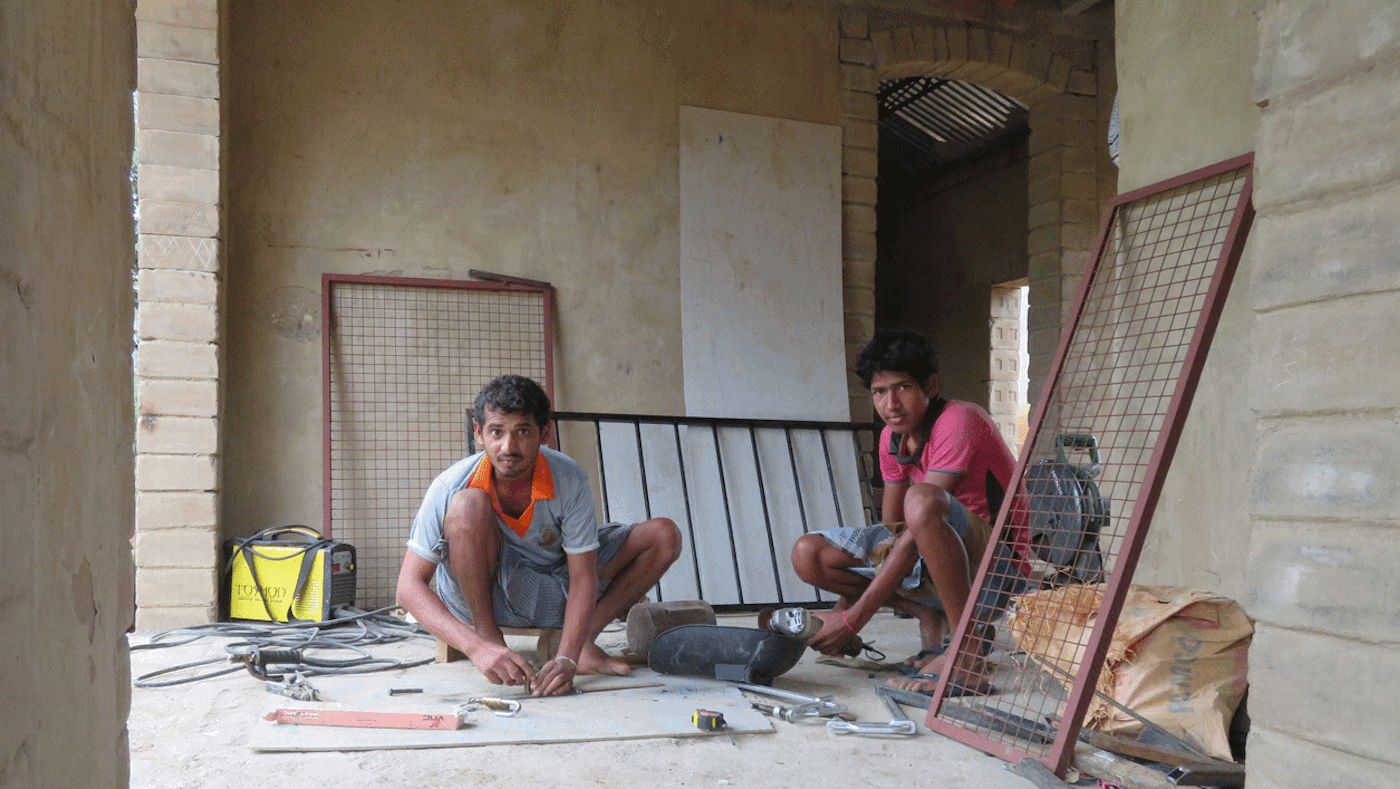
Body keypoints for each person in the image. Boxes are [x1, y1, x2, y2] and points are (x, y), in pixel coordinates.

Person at [397, 375, 682, 697]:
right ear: (479, 433)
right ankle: (491, 640)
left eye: (522, 432)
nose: (509, 447)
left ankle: (581, 639)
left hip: (550, 588)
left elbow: (583, 577)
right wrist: (476, 647)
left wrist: (568, 658)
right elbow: (408, 588)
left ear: (544, 434)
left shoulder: (569, 478)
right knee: (468, 505)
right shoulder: (450, 485)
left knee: (663, 535)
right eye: (496, 432)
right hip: (486, 596)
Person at [789, 331, 1031, 693]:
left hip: (999, 568)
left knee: (921, 500)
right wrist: (841, 611)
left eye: (902, 387)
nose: (891, 404)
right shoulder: (893, 439)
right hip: (937, 562)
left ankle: (967, 655)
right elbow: (894, 532)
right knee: (808, 554)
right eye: (879, 392)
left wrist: (854, 620)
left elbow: (918, 522)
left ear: (930, 386)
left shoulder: (959, 420)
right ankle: (929, 615)